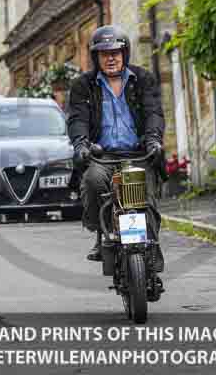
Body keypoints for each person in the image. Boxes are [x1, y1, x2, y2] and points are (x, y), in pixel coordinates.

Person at [66, 25, 165, 266]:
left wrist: (153, 139)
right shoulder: (83, 85)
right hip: (102, 156)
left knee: (145, 200)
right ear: (96, 57)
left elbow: (154, 112)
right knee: (92, 182)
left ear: (125, 54)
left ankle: (150, 248)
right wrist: (81, 144)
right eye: (104, 54)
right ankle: (102, 234)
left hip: (138, 154)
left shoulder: (143, 79)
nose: (110, 58)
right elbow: (77, 119)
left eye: (115, 53)